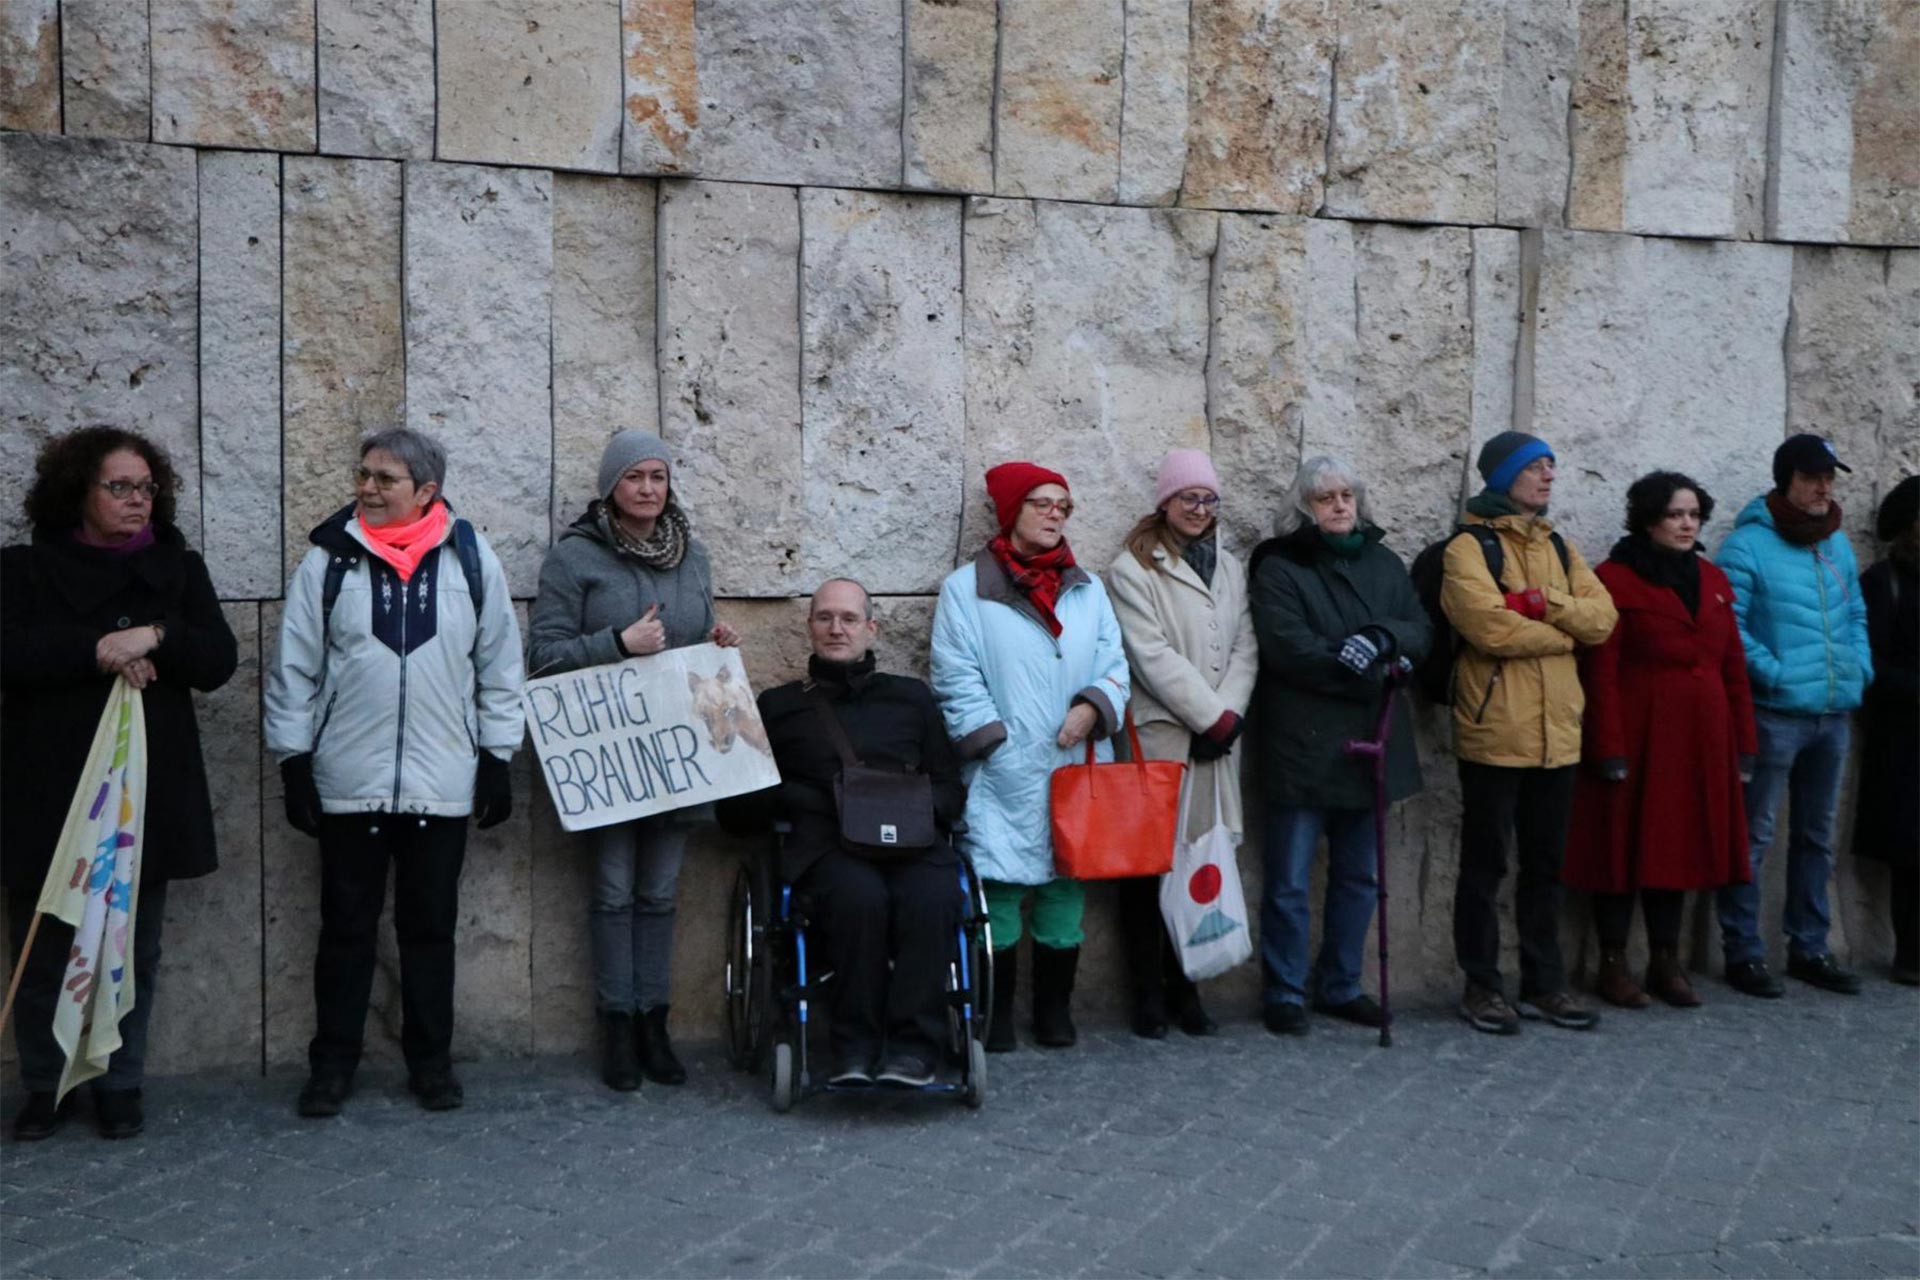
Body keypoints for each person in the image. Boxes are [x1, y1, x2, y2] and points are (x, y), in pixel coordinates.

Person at [266, 428, 523, 1117]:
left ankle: (431, 1064)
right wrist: (294, 762)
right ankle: (332, 1066)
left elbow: (499, 665)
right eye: (365, 474)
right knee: (344, 931)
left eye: (386, 479)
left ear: (426, 492)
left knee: (430, 931)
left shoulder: (471, 558)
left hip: (441, 786)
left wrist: (497, 757)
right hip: (349, 781)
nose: (368, 488)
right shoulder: (329, 561)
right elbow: (294, 668)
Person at [2, 428, 238, 1141]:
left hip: (144, 792)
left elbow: (218, 658)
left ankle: (119, 1080)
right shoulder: (25, 569)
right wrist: (99, 650)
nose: (139, 501)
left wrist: (156, 637)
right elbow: (10, 653)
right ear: (80, 490)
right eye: (120, 488)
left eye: (147, 488)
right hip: (50, 787)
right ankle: (45, 1083)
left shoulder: (177, 569)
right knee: (45, 940)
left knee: (134, 945)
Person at [528, 430, 739, 1091]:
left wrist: (714, 641)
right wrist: (616, 643)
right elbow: (545, 654)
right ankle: (616, 1024)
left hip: (677, 751)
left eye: (658, 476)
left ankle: (655, 1022)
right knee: (614, 894)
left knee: (660, 895)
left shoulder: (693, 557)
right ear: (610, 486)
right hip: (613, 756)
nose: (648, 488)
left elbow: (688, 642)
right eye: (634, 477)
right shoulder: (575, 558)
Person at [720, 579, 967, 1085]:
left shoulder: (911, 699)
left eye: (849, 619)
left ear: (872, 629)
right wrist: (804, 797)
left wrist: (914, 805)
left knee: (934, 895)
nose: (837, 629)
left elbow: (950, 789)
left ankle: (914, 1050)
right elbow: (738, 810)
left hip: (911, 844)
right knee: (860, 898)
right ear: (810, 627)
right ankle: (853, 1047)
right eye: (825, 618)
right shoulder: (779, 705)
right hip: (827, 849)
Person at [931, 462, 1129, 1052]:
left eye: (1063, 507)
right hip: (1004, 766)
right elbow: (954, 673)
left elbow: (1113, 662)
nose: (1054, 515)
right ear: (1012, 511)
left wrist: (1093, 706)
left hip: (1075, 763)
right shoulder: (965, 589)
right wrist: (993, 738)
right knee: (1002, 884)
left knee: (1066, 885)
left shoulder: (1087, 589)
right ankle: (994, 1015)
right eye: (1041, 503)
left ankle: (1053, 1011)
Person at [1247, 456, 1430, 1036]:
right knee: (1290, 880)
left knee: (1360, 877)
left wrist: (1384, 637)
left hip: (1373, 739)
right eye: (1325, 497)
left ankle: (1342, 983)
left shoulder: (1383, 563)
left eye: (1347, 494)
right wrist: (1360, 664)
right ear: (1305, 507)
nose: (1340, 505)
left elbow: (1419, 628)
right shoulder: (1281, 566)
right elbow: (1287, 645)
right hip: (1305, 740)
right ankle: (1284, 990)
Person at [1443, 431, 1618, 1034]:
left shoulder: (1560, 545)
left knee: (1546, 868)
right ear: (1504, 477)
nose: (1548, 475)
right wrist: (1564, 629)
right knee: (1485, 867)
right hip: (1497, 731)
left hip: (1558, 736)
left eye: (1551, 466)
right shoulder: (1469, 548)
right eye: (1536, 467)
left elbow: (1603, 619)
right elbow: (1489, 629)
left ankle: (1546, 984)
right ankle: (1483, 986)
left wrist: (1542, 604)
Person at [1563, 472, 1757, 1009]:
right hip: (1639, 734)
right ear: (1649, 518)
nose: (1686, 523)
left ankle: (1666, 961)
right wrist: (1606, 746)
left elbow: (1733, 668)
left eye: (1693, 514)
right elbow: (1600, 671)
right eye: (1675, 514)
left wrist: (1744, 745)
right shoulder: (1615, 579)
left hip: (1700, 740)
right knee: (1621, 849)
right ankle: (1612, 962)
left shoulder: (1714, 579)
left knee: (1680, 848)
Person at [1714, 434, 1874, 998]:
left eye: (1829, 477)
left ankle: (1810, 947)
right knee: (1753, 836)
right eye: (1811, 477)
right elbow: (1728, 629)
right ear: (1786, 480)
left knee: (1816, 836)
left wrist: (1859, 667)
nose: (1823, 488)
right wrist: (1776, 673)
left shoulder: (1837, 546)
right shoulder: (1747, 546)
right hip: (1775, 713)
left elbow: (1856, 611)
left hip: (1833, 712)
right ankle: (1743, 952)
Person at [1105, 449, 1257, 1039]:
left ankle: (1186, 986)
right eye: (1188, 498)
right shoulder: (1133, 569)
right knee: (1149, 872)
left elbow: (1246, 645)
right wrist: (1208, 716)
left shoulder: (1232, 568)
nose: (1198, 509)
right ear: (1165, 502)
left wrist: (1229, 717)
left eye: (1208, 499)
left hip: (1218, 739)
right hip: (1164, 740)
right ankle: (1147, 993)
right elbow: (1151, 655)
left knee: (1203, 861)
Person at [1853, 475, 1916, 986]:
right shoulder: (1883, 582)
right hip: (1905, 737)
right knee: (1911, 851)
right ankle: (1912, 954)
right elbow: (1869, 663)